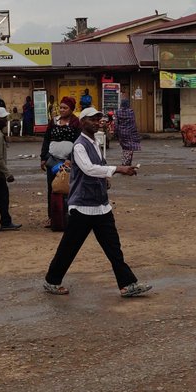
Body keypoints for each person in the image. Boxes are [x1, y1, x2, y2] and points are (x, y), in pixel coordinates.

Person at [43, 108, 152, 298]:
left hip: (101, 206)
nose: (96, 122)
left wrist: (106, 178)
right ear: (82, 122)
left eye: (98, 119)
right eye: (92, 119)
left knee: (113, 248)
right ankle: (52, 280)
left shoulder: (95, 142)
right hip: (83, 207)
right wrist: (118, 169)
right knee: (69, 248)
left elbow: (99, 166)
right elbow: (89, 169)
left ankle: (128, 284)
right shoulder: (79, 146)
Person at [39, 95, 80, 226]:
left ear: (71, 109)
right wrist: (43, 157)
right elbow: (46, 139)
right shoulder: (53, 121)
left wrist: (70, 159)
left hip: (69, 162)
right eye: (61, 107)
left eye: (65, 108)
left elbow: (78, 143)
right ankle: (53, 217)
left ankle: (70, 217)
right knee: (52, 188)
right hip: (52, 160)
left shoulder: (76, 123)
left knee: (69, 189)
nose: (62, 110)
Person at [115, 97, 141, 166]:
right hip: (130, 132)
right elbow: (133, 123)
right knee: (130, 148)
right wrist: (135, 133)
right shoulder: (131, 112)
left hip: (121, 133)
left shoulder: (118, 112)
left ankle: (127, 163)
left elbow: (116, 124)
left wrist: (116, 134)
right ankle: (126, 163)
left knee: (124, 148)